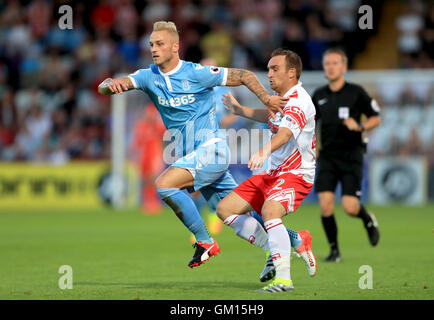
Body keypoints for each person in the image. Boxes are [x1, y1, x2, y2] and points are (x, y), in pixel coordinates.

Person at [98, 21, 287, 268]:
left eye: (160, 44)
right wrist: (110, 84)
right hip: (198, 156)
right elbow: (108, 86)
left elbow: (245, 75)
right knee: (229, 213)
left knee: (164, 184)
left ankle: (204, 241)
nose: (154, 49)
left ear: (175, 47)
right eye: (152, 44)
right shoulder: (147, 77)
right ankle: (285, 246)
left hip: (212, 150)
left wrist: (266, 98)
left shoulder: (196, 73)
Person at [217, 48, 317, 293]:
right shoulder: (280, 98)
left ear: (292, 72)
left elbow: (284, 134)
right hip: (274, 173)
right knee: (225, 209)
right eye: (269, 69)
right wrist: (240, 110)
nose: (269, 75)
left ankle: (284, 281)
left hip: (296, 174)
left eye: (275, 69)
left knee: (270, 211)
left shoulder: (299, 100)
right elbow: (270, 116)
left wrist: (263, 151)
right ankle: (288, 242)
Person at [311, 48, 381, 262]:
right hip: (328, 157)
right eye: (327, 64)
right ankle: (334, 251)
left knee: (350, 207)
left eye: (334, 63)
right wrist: (311, 149)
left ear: (344, 67)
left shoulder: (357, 92)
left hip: (352, 156)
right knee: (325, 204)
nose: (330, 67)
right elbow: (311, 125)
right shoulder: (319, 95)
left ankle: (367, 219)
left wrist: (360, 125)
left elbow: (375, 118)